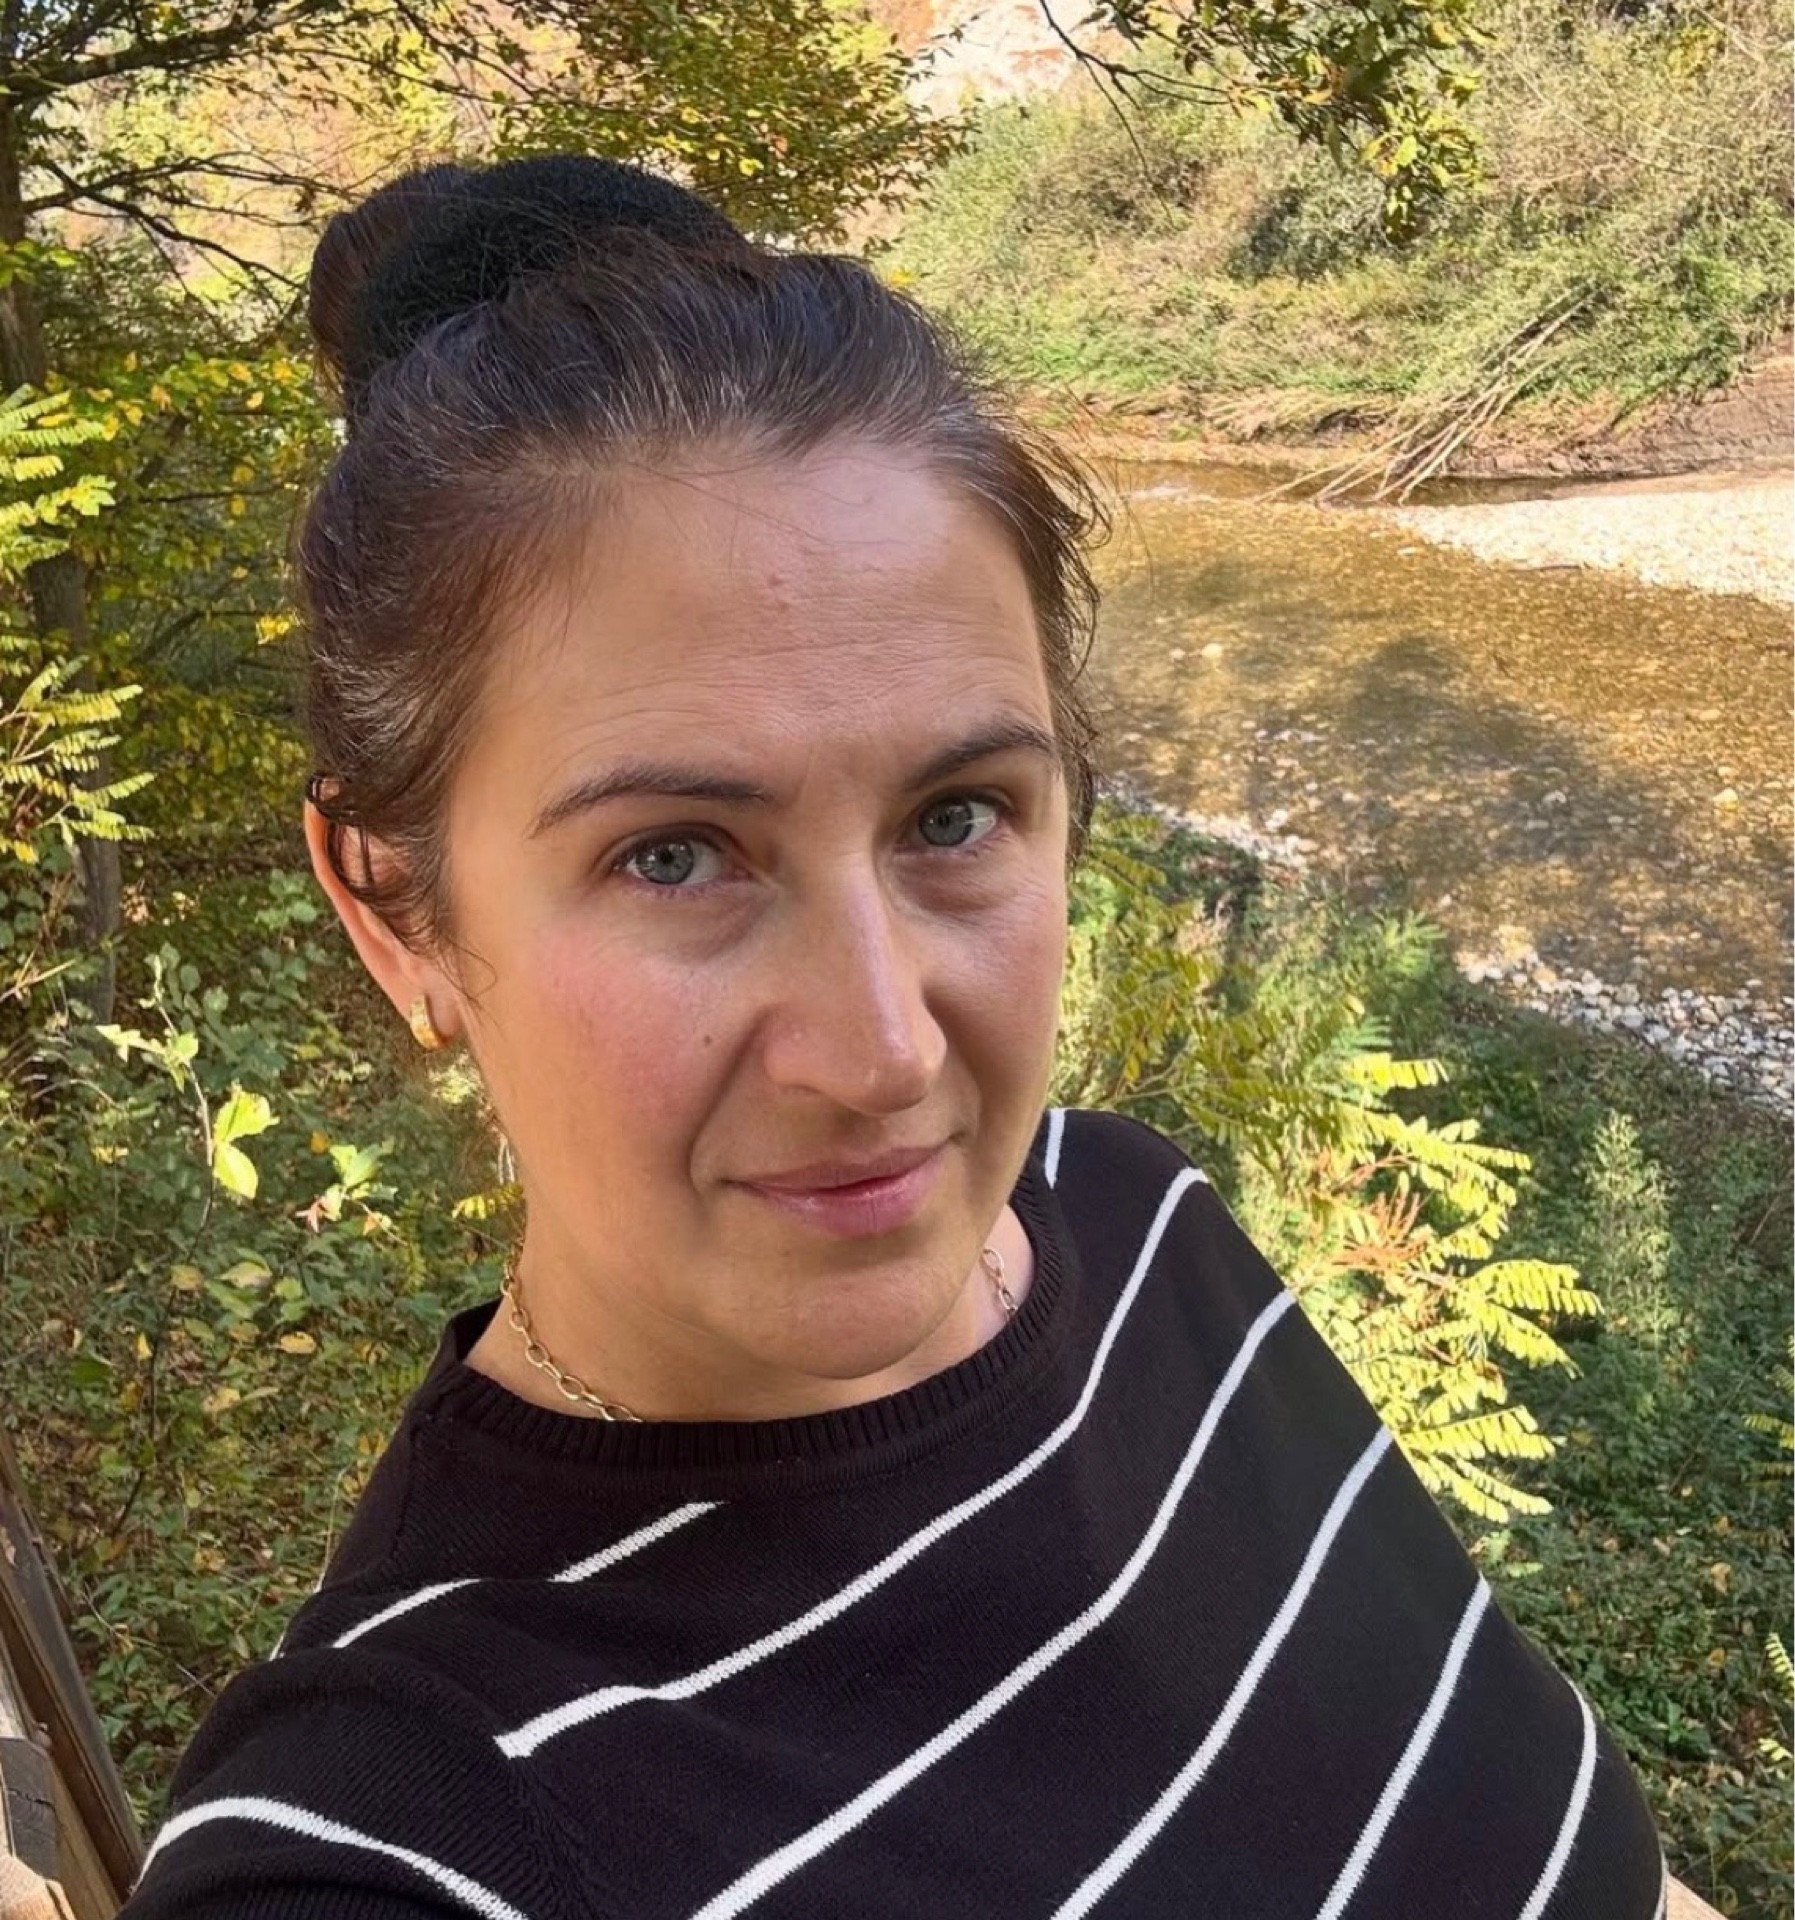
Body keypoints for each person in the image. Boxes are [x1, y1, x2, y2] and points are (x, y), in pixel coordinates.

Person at [115, 154, 1685, 1920]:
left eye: (954, 816)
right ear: (397, 908)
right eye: (674, 855)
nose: (879, 1055)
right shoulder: (403, 1824)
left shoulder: (1142, 1225)